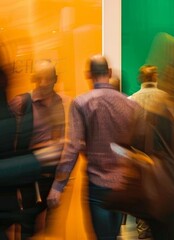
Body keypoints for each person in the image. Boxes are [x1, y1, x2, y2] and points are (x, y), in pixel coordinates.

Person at [47, 55, 143, 240]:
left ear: (88, 75)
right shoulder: (131, 105)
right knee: (114, 235)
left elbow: (73, 147)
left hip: (97, 183)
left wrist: (58, 186)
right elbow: (137, 146)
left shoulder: (82, 103)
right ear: (109, 73)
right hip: (122, 185)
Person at [0, 58, 62, 239]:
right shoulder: (21, 103)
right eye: (39, 78)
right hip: (26, 179)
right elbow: (9, 148)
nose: (43, 83)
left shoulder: (61, 102)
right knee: (27, 226)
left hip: (49, 179)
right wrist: (36, 160)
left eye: (48, 78)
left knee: (44, 229)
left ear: (55, 79)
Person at [128, 64, 174, 239]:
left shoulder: (132, 99)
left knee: (142, 192)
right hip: (163, 155)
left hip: (139, 154)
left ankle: (142, 229)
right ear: (156, 78)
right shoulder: (165, 98)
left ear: (140, 78)